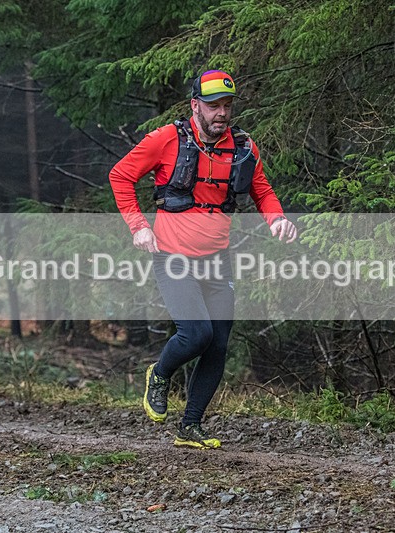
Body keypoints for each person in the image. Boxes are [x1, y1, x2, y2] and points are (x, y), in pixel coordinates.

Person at [109, 69, 297, 449]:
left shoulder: (244, 147)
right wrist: (138, 226)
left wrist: (276, 219)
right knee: (196, 333)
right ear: (195, 105)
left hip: (217, 260)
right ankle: (160, 374)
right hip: (172, 256)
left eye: (227, 106)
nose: (221, 114)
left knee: (218, 344)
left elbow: (262, 190)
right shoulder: (166, 139)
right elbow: (120, 176)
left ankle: (190, 427)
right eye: (213, 106)